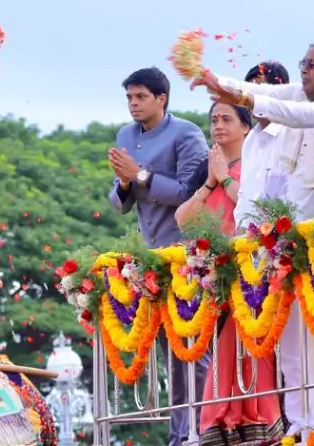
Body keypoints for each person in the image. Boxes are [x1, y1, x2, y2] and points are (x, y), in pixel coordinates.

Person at [196, 39, 314, 430]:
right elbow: (272, 93)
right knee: (303, 342)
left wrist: (245, 99)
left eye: (311, 65)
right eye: (301, 63)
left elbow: (290, 112)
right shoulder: (306, 97)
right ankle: (309, 424)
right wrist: (224, 83)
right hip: (306, 241)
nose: (303, 70)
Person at [107, 66, 208, 446]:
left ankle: (200, 430)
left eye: (141, 97)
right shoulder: (125, 135)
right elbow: (119, 204)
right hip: (151, 260)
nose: (133, 104)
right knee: (171, 354)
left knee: (193, 348)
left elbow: (190, 193)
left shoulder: (186, 134)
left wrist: (142, 175)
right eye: (130, 98)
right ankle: (180, 434)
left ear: (161, 99)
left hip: (187, 256)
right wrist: (123, 181)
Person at [176, 103, 285, 446]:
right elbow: (184, 220)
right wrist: (210, 182)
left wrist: (225, 177)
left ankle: (261, 420)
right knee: (227, 350)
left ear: (245, 127)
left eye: (227, 119)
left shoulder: (256, 164)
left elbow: (258, 210)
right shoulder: (209, 167)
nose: (218, 126)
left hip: (256, 273)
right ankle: (226, 424)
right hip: (220, 278)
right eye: (213, 120)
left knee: (254, 349)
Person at [233, 61, 293, 231]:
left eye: (259, 91)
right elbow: (245, 194)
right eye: (248, 91)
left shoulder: (293, 133)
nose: (251, 98)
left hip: (288, 236)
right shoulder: (251, 140)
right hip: (251, 241)